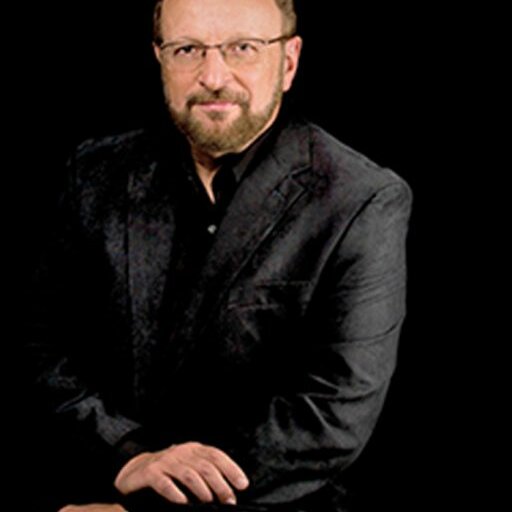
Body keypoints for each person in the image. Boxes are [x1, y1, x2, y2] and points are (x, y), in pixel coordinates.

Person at [23, 0, 411, 510]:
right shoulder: (93, 173)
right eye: (187, 50)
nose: (212, 76)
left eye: (242, 48)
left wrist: (146, 507)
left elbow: (332, 415)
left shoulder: (360, 199)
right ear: (160, 58)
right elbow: (43, 350)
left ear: (288, 61)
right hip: (99, 485)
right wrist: (127, 454)